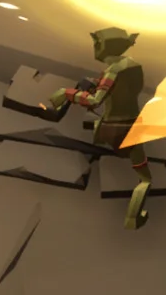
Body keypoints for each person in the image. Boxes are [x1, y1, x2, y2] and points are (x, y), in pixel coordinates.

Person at [42, 28, 154, 229]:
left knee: (93, 130)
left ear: (105, 46)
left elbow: (95, 101)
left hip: (111, 130)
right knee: (145, 179)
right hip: (131, 129)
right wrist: (96, 83)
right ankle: (133, 218)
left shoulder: (113, 71)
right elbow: (122, 90)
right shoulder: (133, 67)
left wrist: (67, 93)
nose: (94, 47)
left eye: (97, 43)